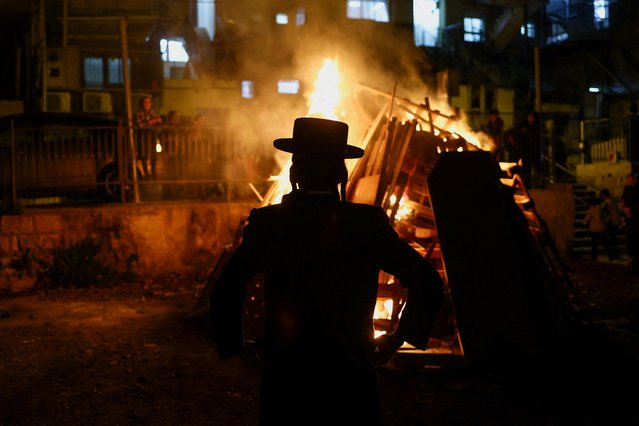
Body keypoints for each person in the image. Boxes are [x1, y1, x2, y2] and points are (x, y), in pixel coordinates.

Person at [210, 117, 444, 425]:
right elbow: (427, 281)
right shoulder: (367, 224)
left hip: (287, 379)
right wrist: (397, 339)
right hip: (350, 379)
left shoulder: (270, 223)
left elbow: (227, 286)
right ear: (341, 174)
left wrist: (236, 347)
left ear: (294, 172)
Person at [135, 96, 162, 178]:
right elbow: (140, 124)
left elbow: (157, 122)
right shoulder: (140, 113)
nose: (148, 104)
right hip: (144, 137)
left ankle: (153, 173)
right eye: (146, 102)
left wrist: (158, 121)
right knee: (144, 155)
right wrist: (153, 121)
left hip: (152, 136)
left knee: (154, 155)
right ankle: (146, 173)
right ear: (142, 104)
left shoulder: (152, 113)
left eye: (149, 102)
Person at [621, 173, 639, 272]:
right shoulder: (626, 189)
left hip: (636, 217)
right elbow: (623, 200)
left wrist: (630, 209)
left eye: (630, 179)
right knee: (630, 239)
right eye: (627, 179)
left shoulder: (637, 189)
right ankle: (631, 260)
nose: (628, 181)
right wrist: (625, 209)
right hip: (629, 217)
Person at [584, 196, 609, 260]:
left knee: (594, 243)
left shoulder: (590, 210)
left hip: (594, 228)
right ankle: (610, 254)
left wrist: (584, 222)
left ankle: (594, 256)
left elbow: (587, 219)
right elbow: (604, 216)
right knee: (605, 242)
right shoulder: (600, 209)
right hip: (601, 227)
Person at [599, 188, 622, 260]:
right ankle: (616, 254)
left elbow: (603, 214)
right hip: (616, 222)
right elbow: (618, 211)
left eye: (601, 196)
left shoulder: (605, 204)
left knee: (606, 239)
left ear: (604, 196)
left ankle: (611, 254)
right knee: (613, 239)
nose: (601, 197)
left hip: (610, 223)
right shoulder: (614, 202)